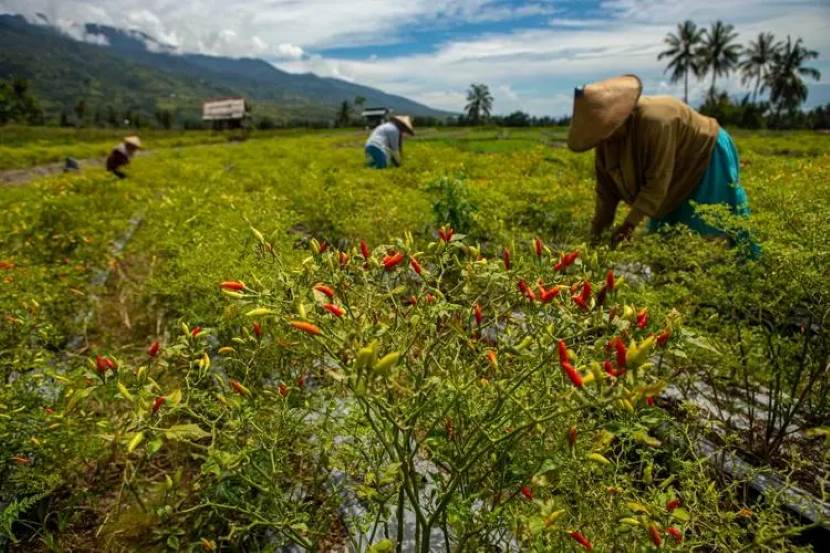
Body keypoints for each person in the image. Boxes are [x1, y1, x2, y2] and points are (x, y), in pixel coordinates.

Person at [567, 75, 757, 255]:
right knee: (667, 242)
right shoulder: (605, 144)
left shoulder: (656, 123)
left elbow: (657, 182)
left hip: (705, 155)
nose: (605, 141)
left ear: (620, 118)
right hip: (673, 175)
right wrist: (595, 238)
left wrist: (628, 225)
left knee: (705, 233)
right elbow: (605, 194)